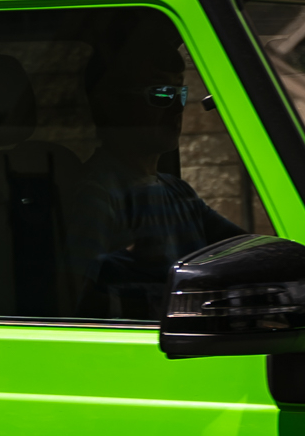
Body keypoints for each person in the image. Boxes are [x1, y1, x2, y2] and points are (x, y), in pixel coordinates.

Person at [75, 23, 247, 318]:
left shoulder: (178, 192)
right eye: (160, 94)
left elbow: (243, 253)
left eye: (179, 94)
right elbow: (83, 302)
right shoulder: (96, 194)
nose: (177, 109)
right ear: (110, 104)